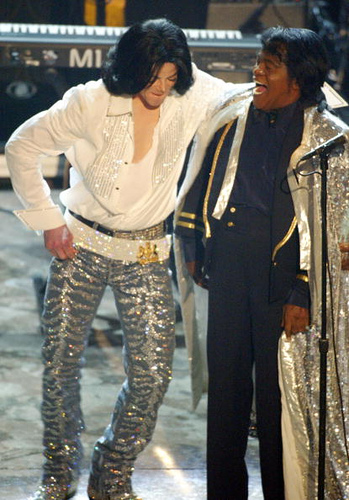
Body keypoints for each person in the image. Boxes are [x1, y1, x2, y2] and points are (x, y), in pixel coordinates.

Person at [5, 18, 247, 500]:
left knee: (154, 374)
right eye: (152, 77)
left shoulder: (191, 94)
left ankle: (111, 473)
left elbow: (247, 96)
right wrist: (48, 219)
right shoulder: (89, 101)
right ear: (132, 68)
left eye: (171, 78)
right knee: (60, 368)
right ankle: (58, 476)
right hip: (81, 247)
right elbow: (22, 145)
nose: (161, 88)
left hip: (145, 253)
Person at [175, 27, 349, 499]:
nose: (257, 71)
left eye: (270, 65)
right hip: (229, 271)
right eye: (260, 60)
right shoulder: (233, 118)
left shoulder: (327, 141)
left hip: (281, 284)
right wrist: (193, 243)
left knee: (277, 406)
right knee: (226, 397)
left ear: (297, 79)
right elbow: (202, 174)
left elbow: (331, 231)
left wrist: (302, 291)